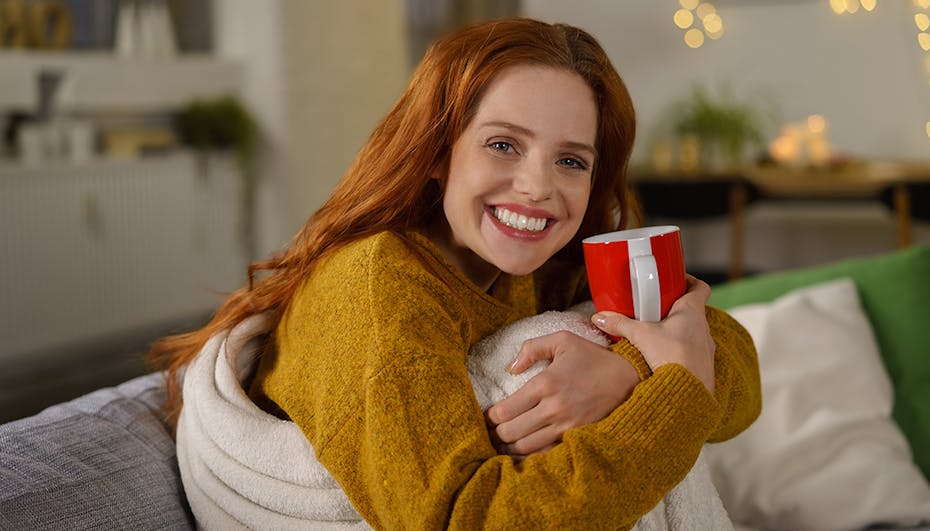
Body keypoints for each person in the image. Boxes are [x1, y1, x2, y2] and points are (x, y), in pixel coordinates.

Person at [150, 17, 761, 529]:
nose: (537, 187)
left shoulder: (547, 266)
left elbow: (736, 371)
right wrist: (673, 392)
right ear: (439, 151)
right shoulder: (376, 286)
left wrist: (627, 372)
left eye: (570, 160)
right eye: (503, 145)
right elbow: (463, 519)